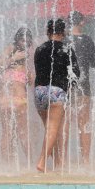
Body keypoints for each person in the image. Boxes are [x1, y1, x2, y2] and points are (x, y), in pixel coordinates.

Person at [34, 18, 80, 172]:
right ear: (63, 32)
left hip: (39, 92)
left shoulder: (39, 49)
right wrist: (70, 89)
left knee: (50, 130)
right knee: (53, 130)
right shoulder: (67, 48)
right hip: (56, 92)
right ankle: (42, 162)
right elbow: (76, 74)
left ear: (48, 32)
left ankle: (58, 164)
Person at [68, 11, 95, 164]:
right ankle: (85, 160)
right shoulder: (86, 40)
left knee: (64, 123)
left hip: (65, 86)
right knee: (84, 123)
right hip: (83, 85)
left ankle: (61, 160)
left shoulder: (64, 39)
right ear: (81, 22)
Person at [0, 27, 34, 163]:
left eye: (27, 40)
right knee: (15, 132)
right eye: (22, 39)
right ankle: (27, 164)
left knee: (15, 132)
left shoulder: (27, 58)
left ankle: (11, 165)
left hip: (10, 100)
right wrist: (14, 58)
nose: (24, 42)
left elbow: (31, 81)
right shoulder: (11, 50)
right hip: (11, 99)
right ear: (17, 39)